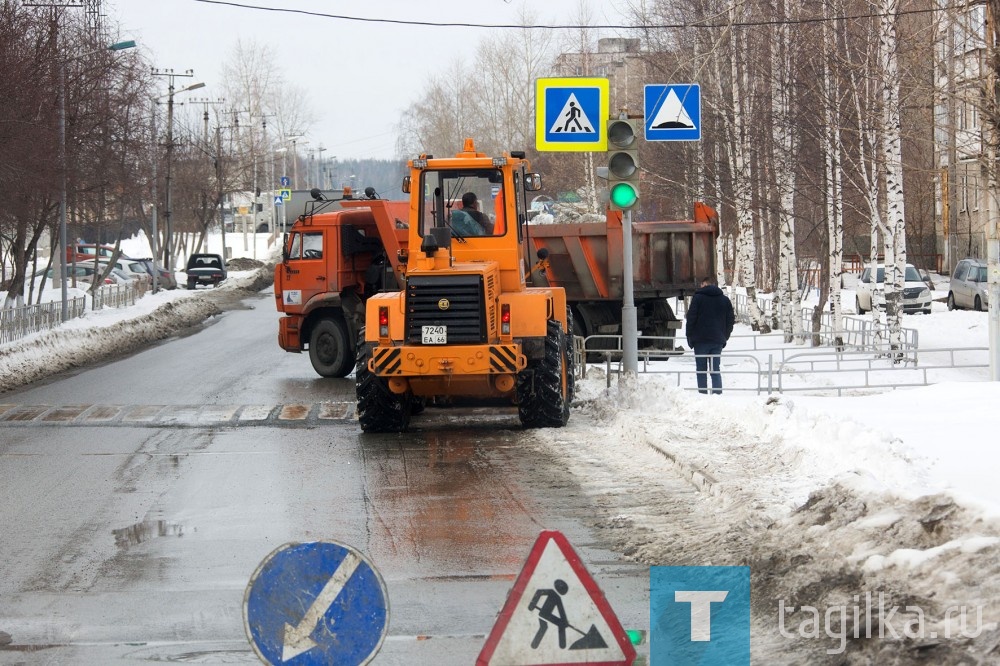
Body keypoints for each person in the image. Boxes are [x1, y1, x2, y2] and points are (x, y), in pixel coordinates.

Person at [685, 276, 735, 394]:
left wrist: (689, 336)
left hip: (700, 340)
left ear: (705, 284)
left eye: (702, 284)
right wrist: (724, 337)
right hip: (717, 340)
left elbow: (691, 318)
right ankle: (717, 394)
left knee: (701, 370)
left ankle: (702, 394)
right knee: (715, 369)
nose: (700, 286)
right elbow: (730, 321)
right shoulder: (725, 300)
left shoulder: (697, 298)